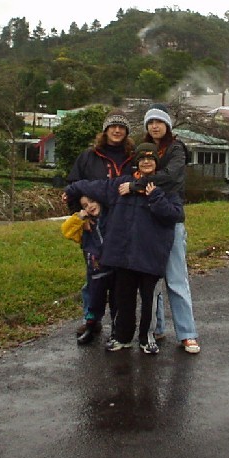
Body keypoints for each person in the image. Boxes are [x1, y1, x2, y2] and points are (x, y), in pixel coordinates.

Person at [65, 143, 184, 355]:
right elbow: (92, 187)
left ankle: (147, 338)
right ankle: (122, 337)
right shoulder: (120, 184)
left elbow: (174, 215)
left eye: (151, 158)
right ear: (136, 161)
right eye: (142, 158)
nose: (146, 162)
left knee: (149, 302)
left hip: (151, 255)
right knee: (123, 299)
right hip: (123, 255)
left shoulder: (165, 188)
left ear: (157, 162)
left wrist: (154, 197)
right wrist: (70, 191)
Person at [133, 103, 201, 354]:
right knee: (152, 278)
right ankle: (157, 327)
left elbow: (173, 177)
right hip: (148, 218)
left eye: (159, 122)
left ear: (167, 125)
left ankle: (187, 334)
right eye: (150, 122)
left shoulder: (176, 148)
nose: (154, 126)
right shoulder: (145, 149)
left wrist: (142, 182)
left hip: (171, 220)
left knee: (176, 278)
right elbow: (132, 173)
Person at [64, 109, 134, 338]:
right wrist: (82, 209)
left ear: (126, 132)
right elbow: (72, 186)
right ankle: (91, 320)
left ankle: (118, 324)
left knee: (119, 277)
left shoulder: (133, 158)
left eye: (122, 127)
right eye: (112, 127)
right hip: (94, 226)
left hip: (124, 225)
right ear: (105, 131)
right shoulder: (89, 156)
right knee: (94, 276)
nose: (117, 130)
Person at [60, 195, 114, 345]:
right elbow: (66, 231)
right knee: (94, 300)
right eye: (85, 205)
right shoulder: (84, 224)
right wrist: (80, 216)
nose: (89, 206)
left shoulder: (110, 218)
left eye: (92, 202)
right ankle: (90, 326)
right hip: (96, 272)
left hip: (114, 268)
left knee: (116, 301)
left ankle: (116, 331)